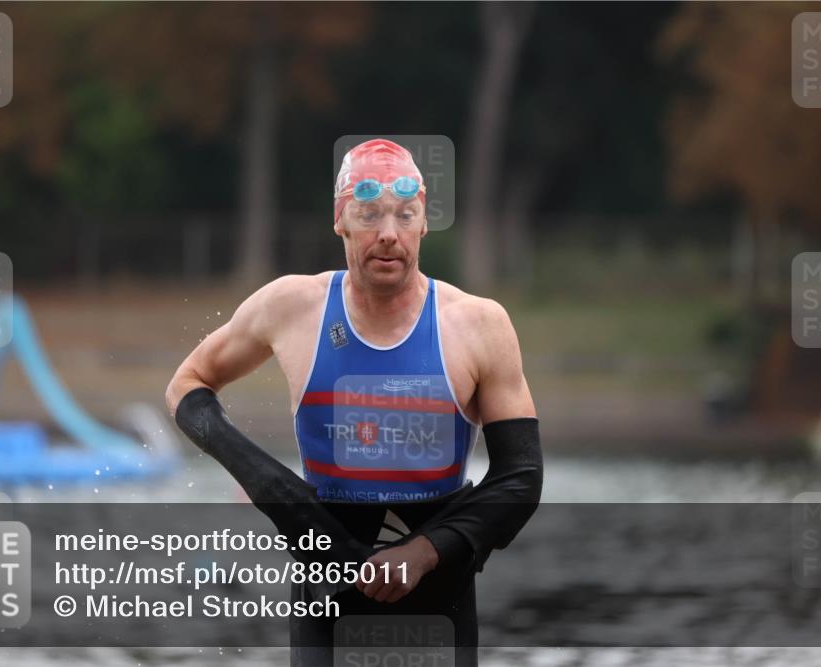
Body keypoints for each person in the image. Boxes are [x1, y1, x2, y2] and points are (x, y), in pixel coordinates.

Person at [166, 138, 542, 666]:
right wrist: (278, 492)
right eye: (369, 215)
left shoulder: (477, 324)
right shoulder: (293, 307)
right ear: (341, 221)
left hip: (438, 591)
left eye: (404, 215)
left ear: (423, 224)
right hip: (328, 593)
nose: (388, 234)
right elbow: (187, 385)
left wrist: (422, 552)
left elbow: (521, 478)